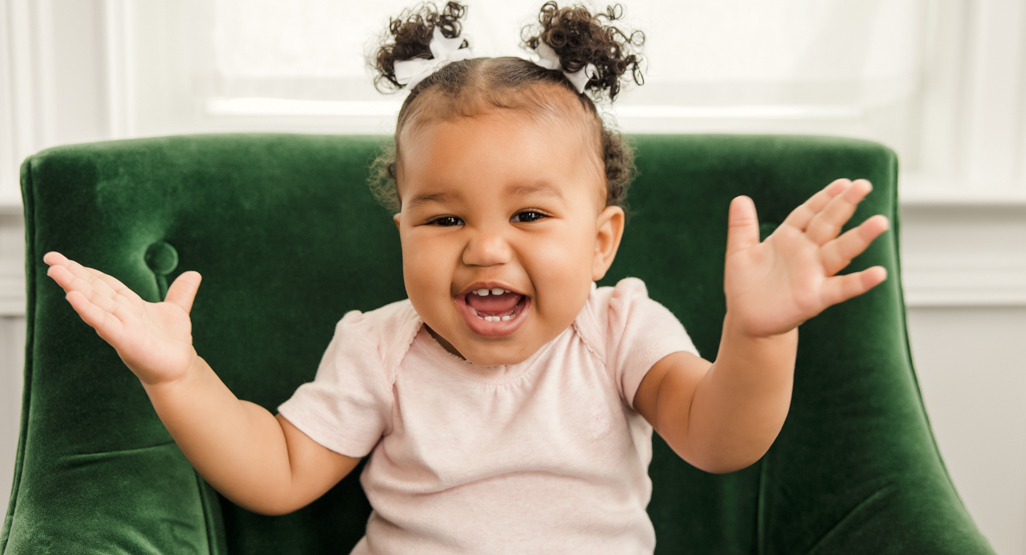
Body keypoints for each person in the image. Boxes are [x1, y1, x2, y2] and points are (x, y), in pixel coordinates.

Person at [42, 1, 890, 553]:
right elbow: (278, 470)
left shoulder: (622, 328)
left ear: (601, 243)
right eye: (445, 219)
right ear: (403, 228)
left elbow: (719, 436)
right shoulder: (381, 346)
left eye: (528, 216)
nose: (485, 249)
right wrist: (176, 374)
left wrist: (759, 332)